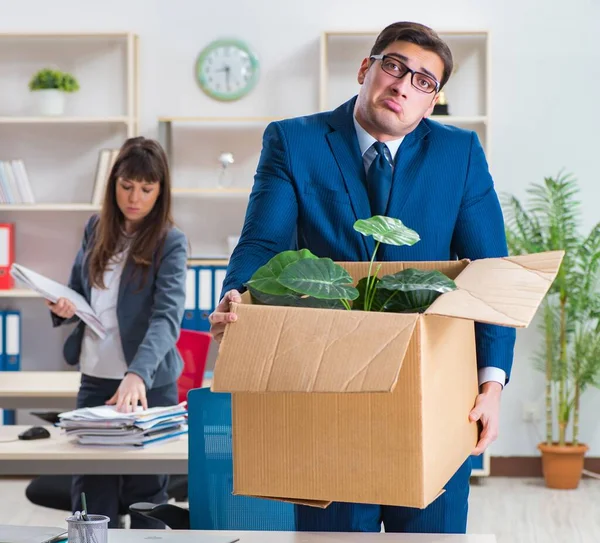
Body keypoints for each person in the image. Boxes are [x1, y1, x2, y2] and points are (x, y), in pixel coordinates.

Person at [209, 21, 515, 534]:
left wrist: (492, 384)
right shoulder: (295, 140)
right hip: (327, 387)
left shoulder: (459, 155)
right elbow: (264, 241)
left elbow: (489, 273)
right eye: (394, 66)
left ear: (433, 101)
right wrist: (238, 294)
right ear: (366, 69)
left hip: (435, 388)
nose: (402, 85)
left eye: (424, 81)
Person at [48, 136, 188, 529]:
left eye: (146, 189)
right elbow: (79, 288)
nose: (135, 197)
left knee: (147, 498)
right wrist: (62, 305)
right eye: (127, 186)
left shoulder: (170, 242)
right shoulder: (96, 228)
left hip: (147, 385)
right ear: (114, 184)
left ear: (160, 192)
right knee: (91, 496)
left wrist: (136, 374)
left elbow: (167, 317)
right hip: (96, 379)